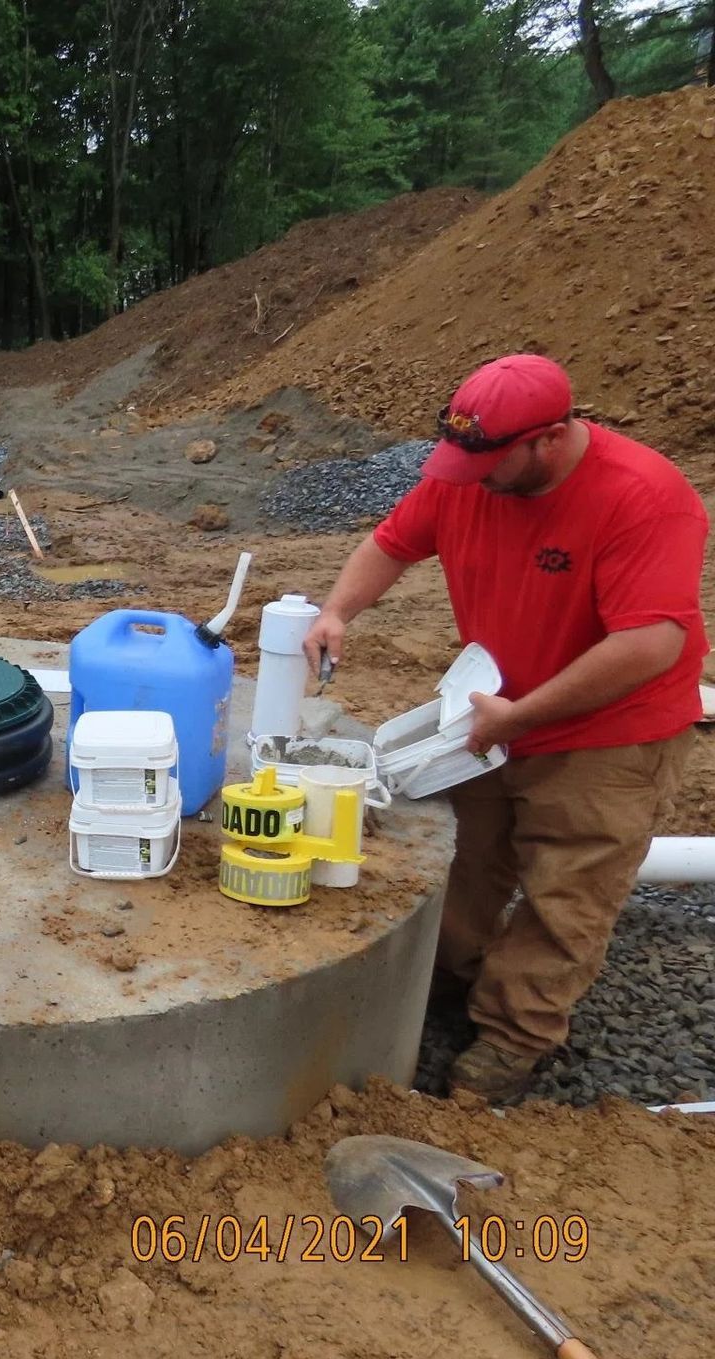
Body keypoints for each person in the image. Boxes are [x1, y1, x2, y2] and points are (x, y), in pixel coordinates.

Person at [302, 353, 708, 1104]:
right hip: (489, 715)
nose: (468, 479)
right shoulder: (471, 477)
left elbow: (654, 643)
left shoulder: (644, 497)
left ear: (549, 439)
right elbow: (392, 542)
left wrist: (522, 716)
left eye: (487, 462)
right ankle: (456, 984)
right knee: (462, 858)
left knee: (568, 893)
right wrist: (337, 612)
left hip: (607, 736)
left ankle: (512, 1039)